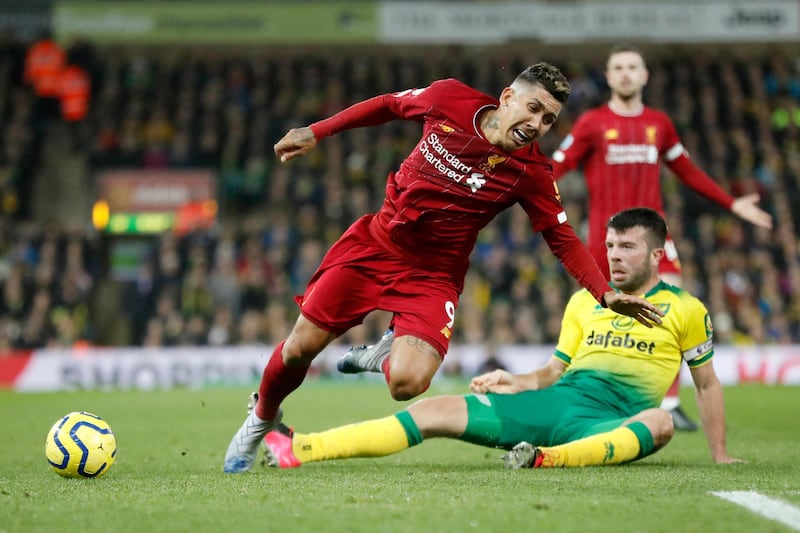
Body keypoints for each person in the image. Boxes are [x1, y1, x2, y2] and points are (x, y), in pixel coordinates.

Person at [223, 63, 664, 473]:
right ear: (508, 96)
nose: (537, 124)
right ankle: (262, 419)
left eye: (548, 120)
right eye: (533, 108)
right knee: (300, 349)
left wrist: (604, 293)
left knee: (408, 384)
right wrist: (317, 131)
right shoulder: (449, 99)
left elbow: (562, 237)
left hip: (433, 276)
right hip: (375, 245)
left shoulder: (531, 172)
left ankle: (383, 355)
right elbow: (387, 105)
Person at [259, 208, 741, 470]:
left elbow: (706, 385)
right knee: (432, 410)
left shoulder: (685, 309)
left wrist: (719, 454)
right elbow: (554, 372)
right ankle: (302, 447)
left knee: (661, 422)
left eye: (627, 247)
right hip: (557, 404)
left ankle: (547, 460)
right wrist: (514, 380)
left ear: (657, 255)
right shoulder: (584, 302)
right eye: (610, 245)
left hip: (613, 421)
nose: (613, 256)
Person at [549, 44, 773, 431]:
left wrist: (731, 203)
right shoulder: (592, 123)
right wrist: (519, 186)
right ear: (608, 75)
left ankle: (668, 402)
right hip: (607, 243)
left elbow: (686, 170)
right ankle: (586, 400)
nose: (624, 73)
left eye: (632, 67)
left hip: (655, 238)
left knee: (669, 303)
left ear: (644, 75)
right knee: (596, 320)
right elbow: (557, 166)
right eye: (617, 67)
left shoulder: (659, 124)